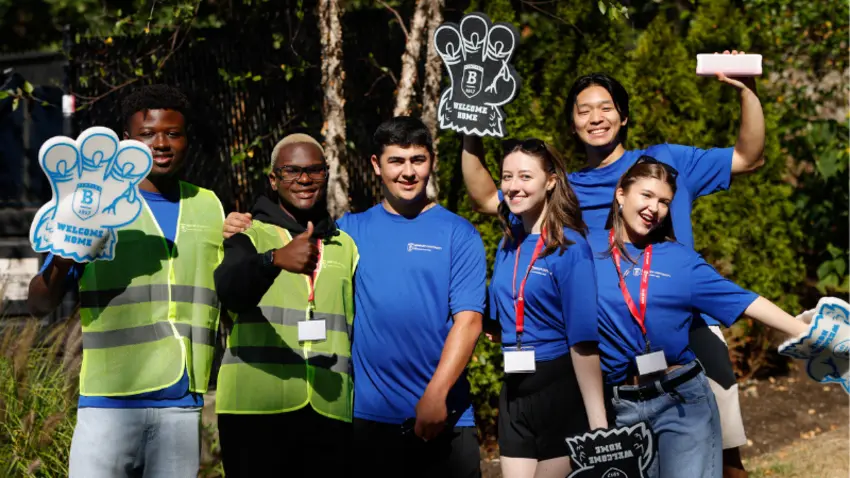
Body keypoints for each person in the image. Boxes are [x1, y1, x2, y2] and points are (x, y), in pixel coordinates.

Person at [460, 51, 763, 477]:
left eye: (606, 108)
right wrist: (470, 129)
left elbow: (747, 156)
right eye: (584, 110)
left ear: (623, 117)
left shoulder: (664, 164)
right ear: (572, 123)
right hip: (612, 355)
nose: (595, 117)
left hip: (687, 340)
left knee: (726, 463)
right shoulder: (563, 190)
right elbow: (488, 197)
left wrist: (745, 89)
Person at [223, 116, 486, 477]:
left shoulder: (460, 234)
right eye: (396, 160)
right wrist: (239, 224)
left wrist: (437, 395)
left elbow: (469, 321)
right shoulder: (346, 233)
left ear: (432, 161)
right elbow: (287, 230)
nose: (408, 172)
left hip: (443, 416)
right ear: (376, 166)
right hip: (365, 421)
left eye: (417, 160)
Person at [27, 84, 224, 477]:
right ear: (126, 143)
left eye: (173, 133)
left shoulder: (211, 206)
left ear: (188, 140)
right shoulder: (96, 205)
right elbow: (39, 304)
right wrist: (65, 256)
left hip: (182, 407)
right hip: (108, 406)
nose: (161, 143)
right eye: (147, 134)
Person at [595, 157, 808, 478]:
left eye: (664, 201)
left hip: (678, 399)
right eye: (646, 195)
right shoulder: (584, 250)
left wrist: (810, 332)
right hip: (622, 405)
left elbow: (745, 300)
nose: (655, 208)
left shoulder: (680, 260)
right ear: (621, 194)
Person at [212, 134, 358, 476]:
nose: (304, 180)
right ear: (273, 180)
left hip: (329, 408)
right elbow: (230, 290)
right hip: (256, 411)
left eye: (314, 171)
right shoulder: (248, 235)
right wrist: (272, 260)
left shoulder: (345, 245)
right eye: (291, 171)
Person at [487, 138, 607, 478]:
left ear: (550, 181)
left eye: (525, 176)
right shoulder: (507, 242)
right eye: (507, 177)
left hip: (559, 389)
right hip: (514, 387)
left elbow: (582, 340)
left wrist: (598, 424)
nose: (513, 186)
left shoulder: (570, 246)